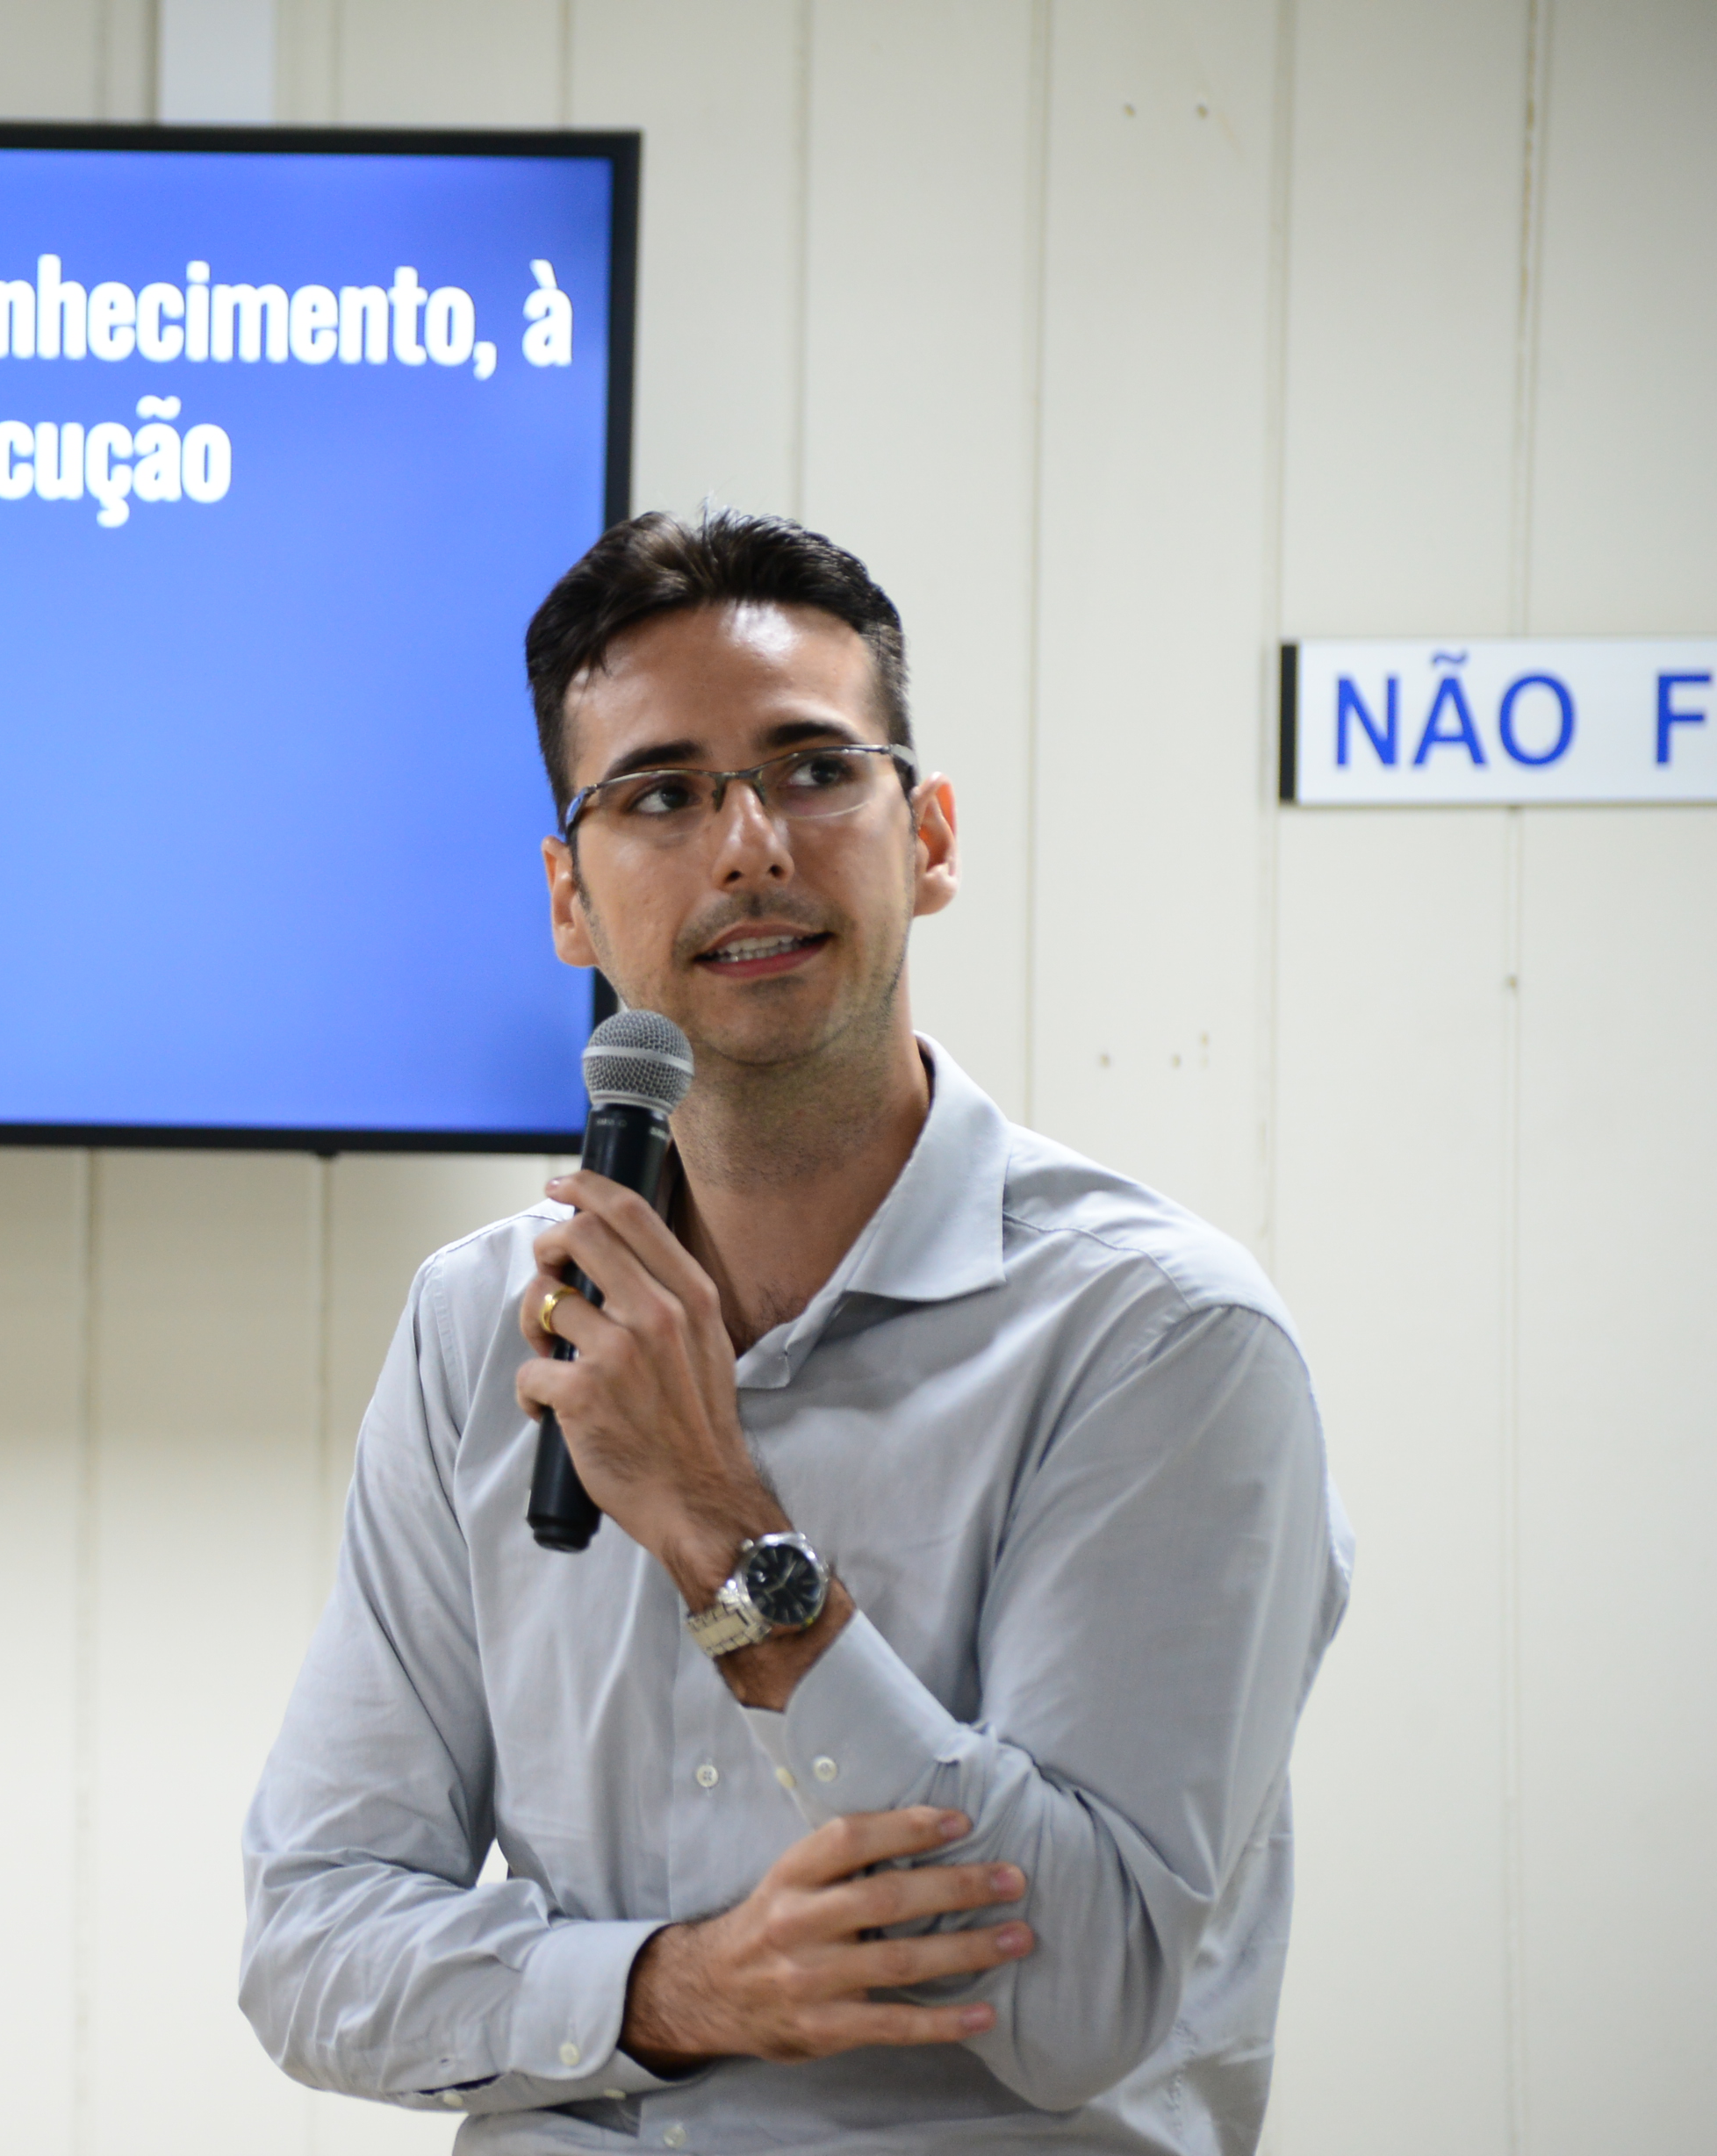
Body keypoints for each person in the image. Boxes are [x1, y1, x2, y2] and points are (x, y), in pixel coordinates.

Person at [240, 508, 1349, 2153]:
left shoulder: (1160, 1340)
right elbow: (311, 1942)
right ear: (569, 900)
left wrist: (720, 1530)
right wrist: (678, 1993)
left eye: (815, 770)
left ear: (932, 840)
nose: (748, 845)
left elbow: (1082, 2000)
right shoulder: (479, 1325)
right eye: (661, 795)